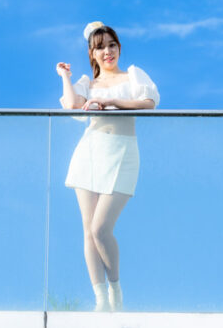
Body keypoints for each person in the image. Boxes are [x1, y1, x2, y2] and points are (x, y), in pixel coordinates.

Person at [56, 21, 159, 312]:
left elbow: (149, 103)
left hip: (123, 153)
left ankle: (116, 290)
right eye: (100, 47)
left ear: (119, 48)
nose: (107, 52)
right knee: (88, 231)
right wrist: (65, 76)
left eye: (111, 45)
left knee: (102, 229)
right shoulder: (88, 84)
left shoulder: (133, 75)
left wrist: (111, 100)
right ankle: (100, 300)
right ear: (92, 53)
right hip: (90, 153)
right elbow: (70, 105)